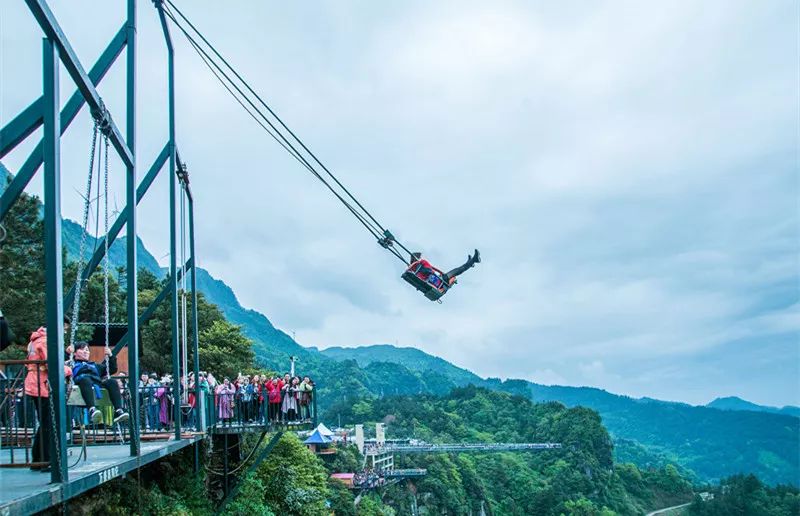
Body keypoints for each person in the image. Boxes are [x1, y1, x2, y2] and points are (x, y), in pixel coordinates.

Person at [24, 325, 73, 470]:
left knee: (45, 424)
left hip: (35, 383)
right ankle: (46, 460)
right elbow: (51, 364)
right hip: (42, 385)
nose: (64, 332)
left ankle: (38, 459)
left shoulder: (35, 340)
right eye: (64, 329)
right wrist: (68, 370)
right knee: (49, 424)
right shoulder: (46, 341)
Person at [70, 342, 129, 424]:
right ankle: (91, 409)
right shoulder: (72, 364)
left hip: (95, 384)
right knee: (85, 379)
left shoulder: (95, 366)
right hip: (82, 384)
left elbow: (112, 369)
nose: (85, 352)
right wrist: (67, 353)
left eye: (87, 350)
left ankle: (118, 410)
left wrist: (111, 356)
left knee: (112, 382)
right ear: (75, 352)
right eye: (82, 349)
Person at [408, 249, 481, 288]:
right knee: (457, 270)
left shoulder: (414, 270)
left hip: (435, 283)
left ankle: (470, 263)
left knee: (457, 270)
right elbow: (429, 270)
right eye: (420, 257)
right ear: (418, 258)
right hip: (439, 281)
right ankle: (474, 260)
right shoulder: (421, 263)